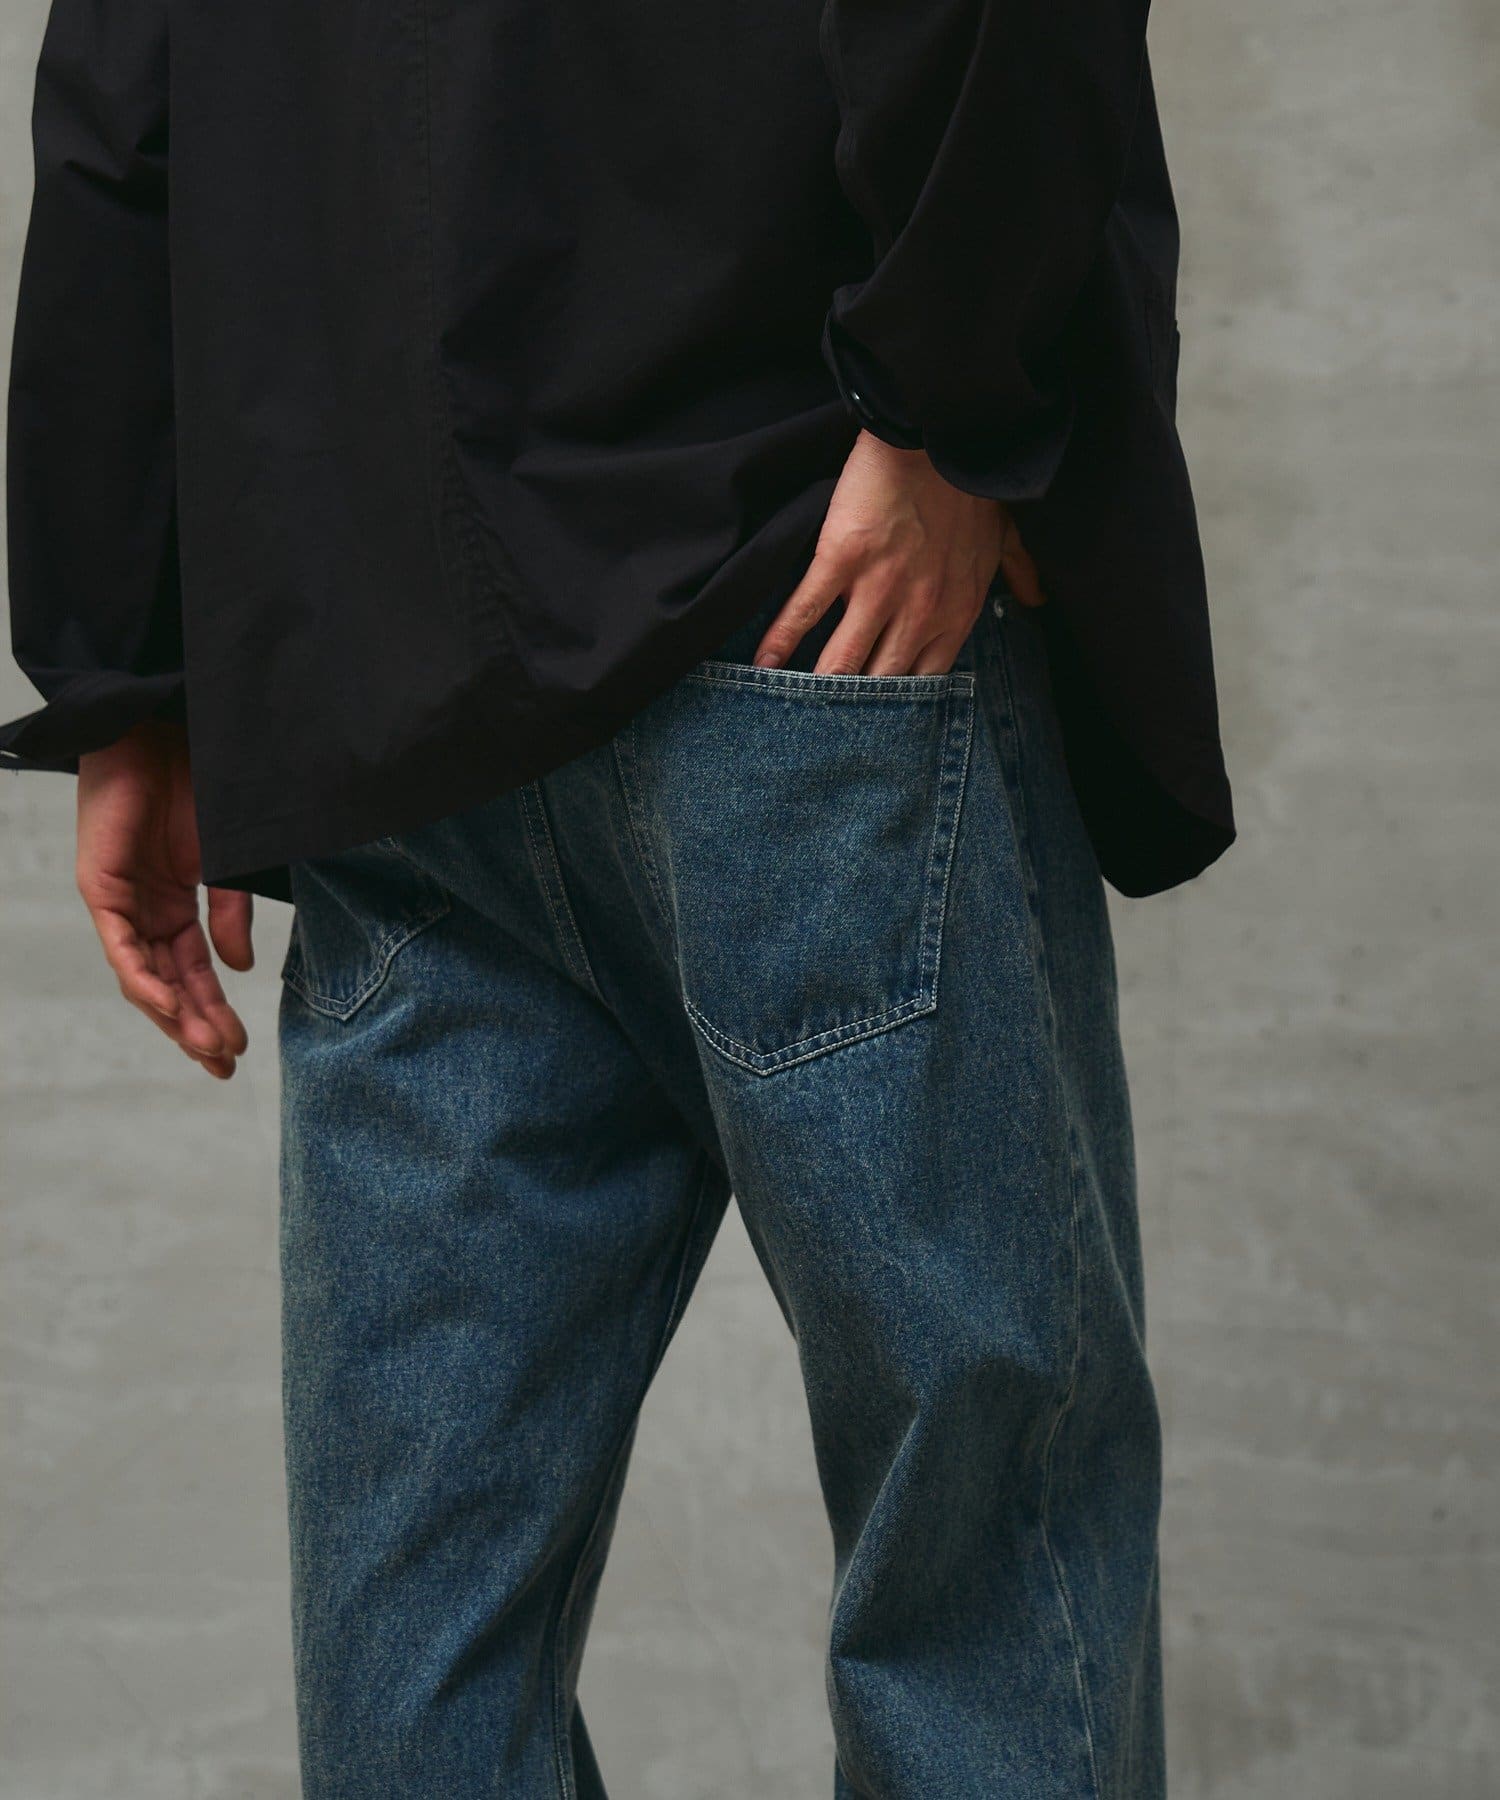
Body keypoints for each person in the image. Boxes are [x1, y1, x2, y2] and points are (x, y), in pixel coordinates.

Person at [1, 0, 1234, 1793]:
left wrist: (125, 664)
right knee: (983, 1566)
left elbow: (126, 78)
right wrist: (945, 397)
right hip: (794, 589)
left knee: (424, 1629)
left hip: (400, 664)